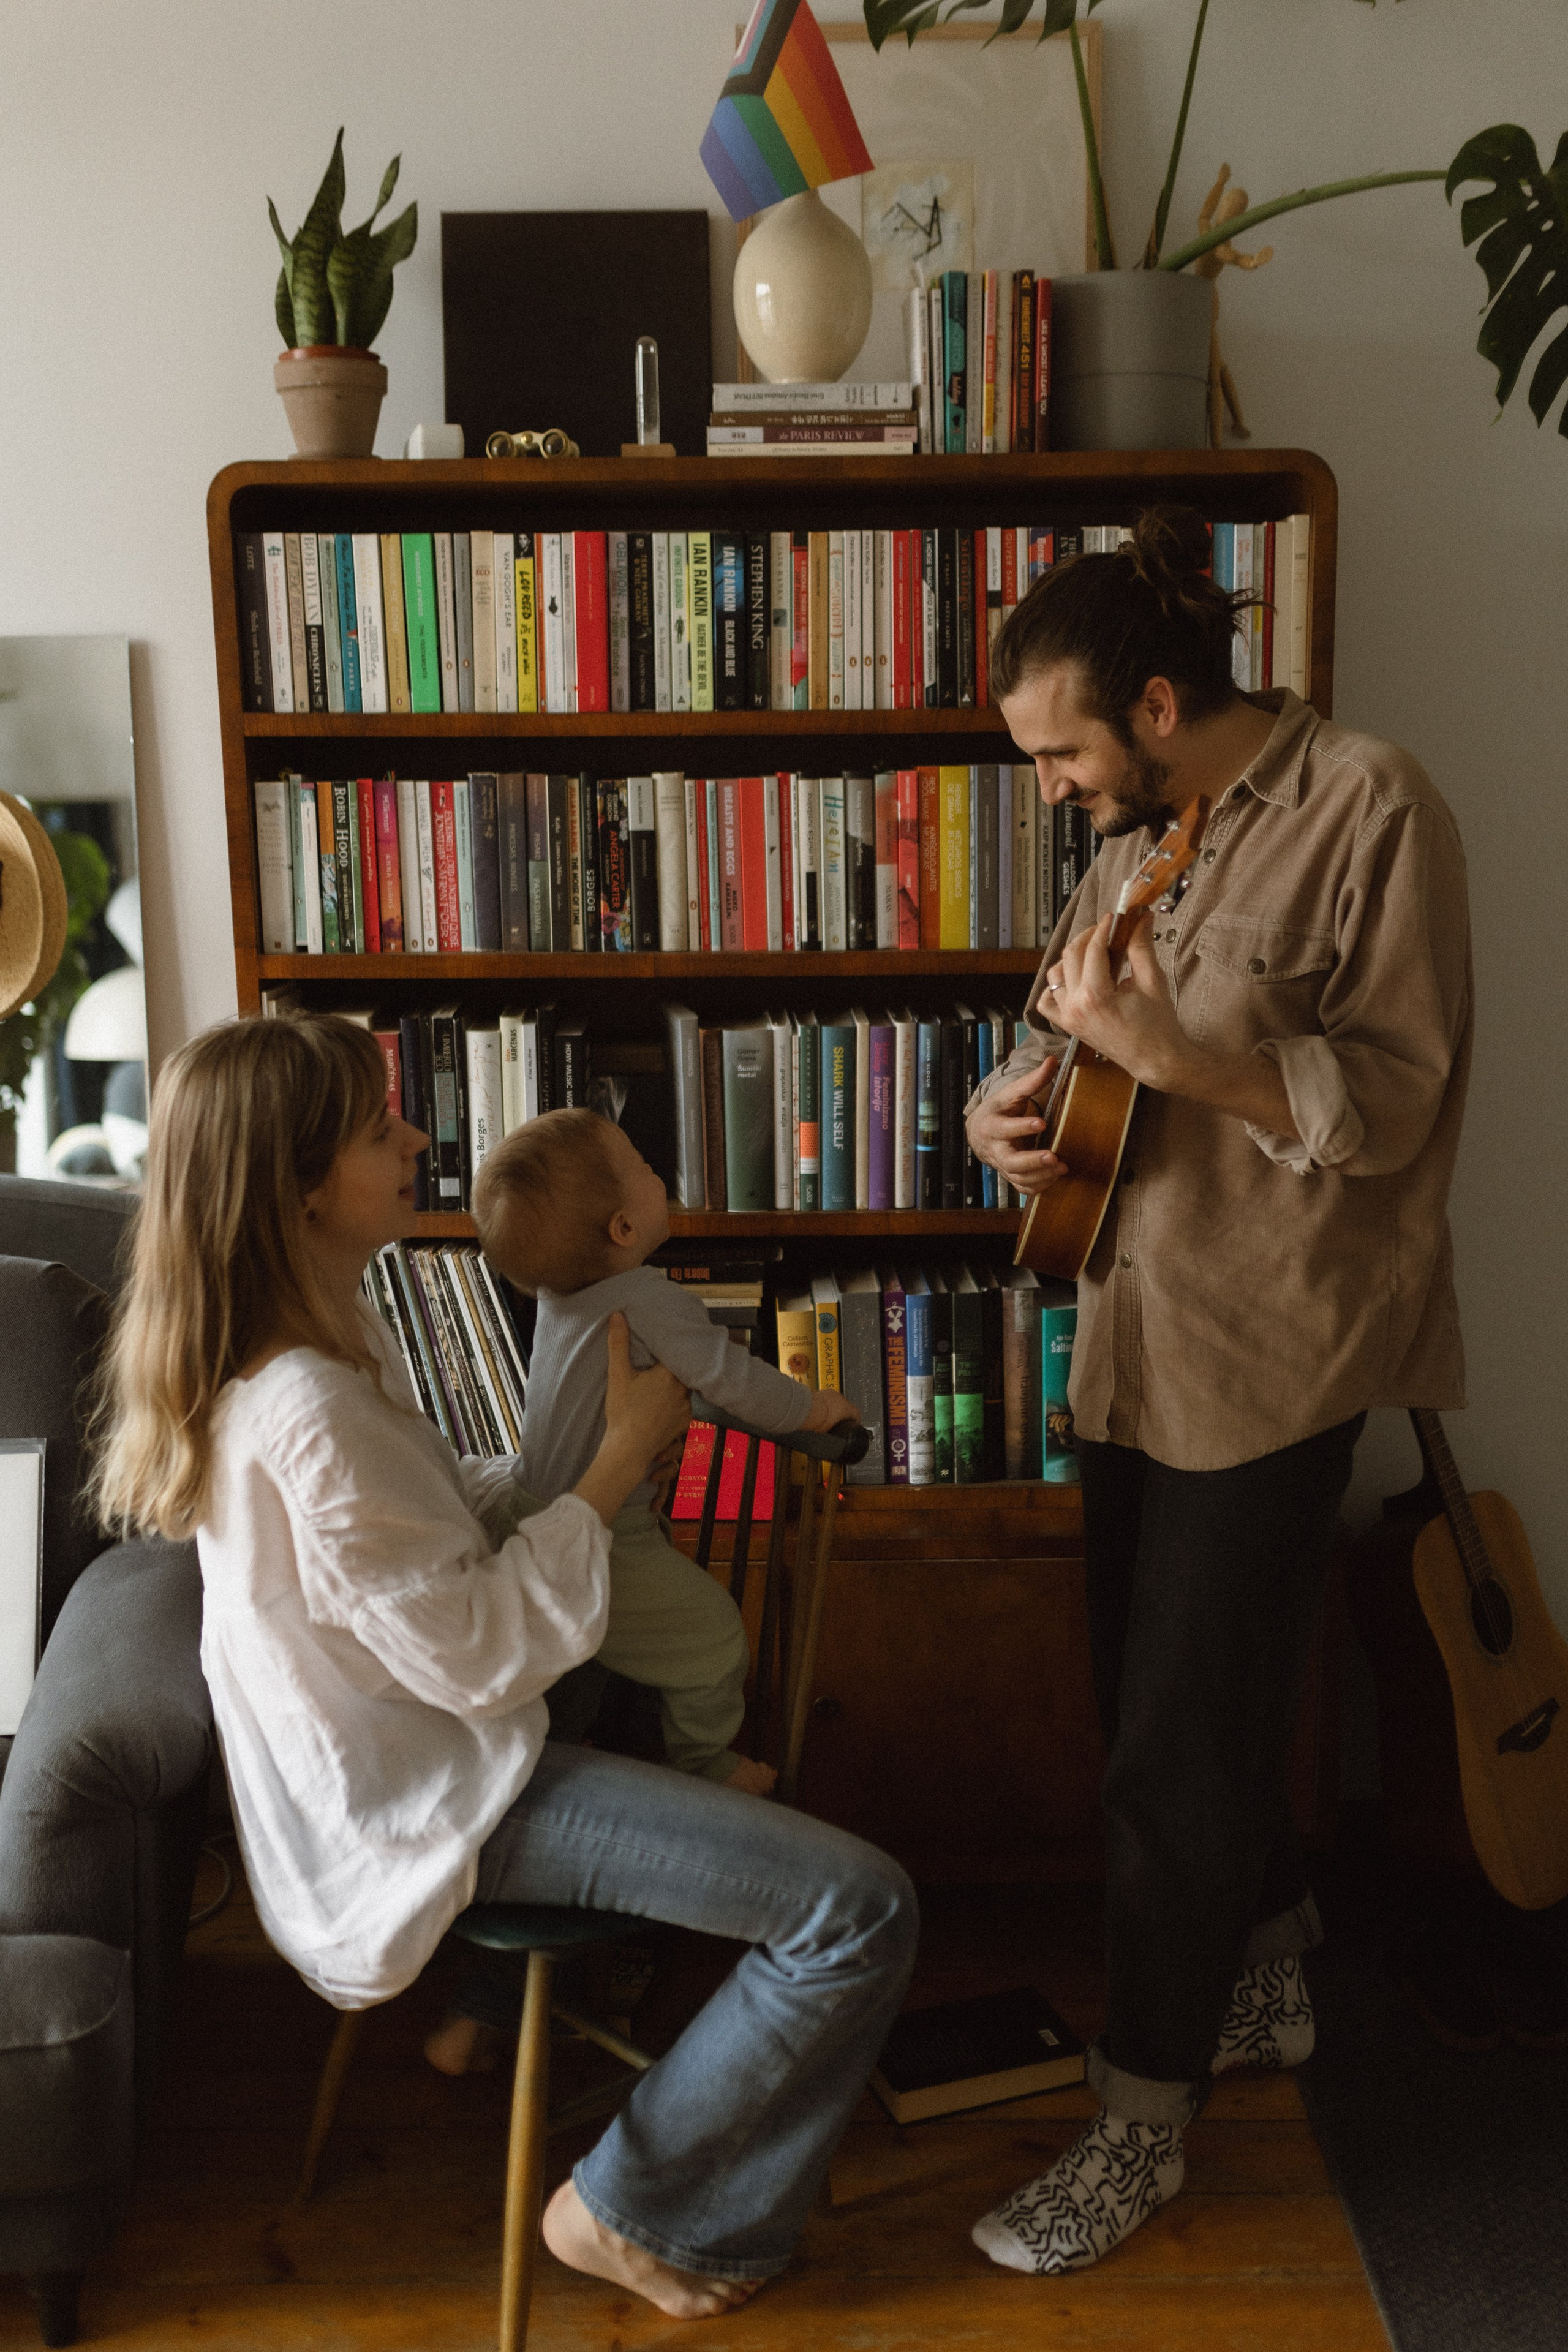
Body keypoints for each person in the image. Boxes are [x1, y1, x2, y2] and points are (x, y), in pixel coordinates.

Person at [91, 1012, 917, 2318]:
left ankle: (518, 2010)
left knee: (636, 1680)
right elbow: (475, 1650)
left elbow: (409, 1552)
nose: (418, 1136)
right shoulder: (312, 1408)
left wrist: (535, 1484)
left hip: (419, 1756)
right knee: (858, 1910)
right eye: (378, 1130)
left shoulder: (293, 1362)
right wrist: (608, 1464)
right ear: (304, 1186)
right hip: (434, 1799)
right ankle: (630, 2208)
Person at [963, 506, 1471, 2275]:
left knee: (1175, 1756)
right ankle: (1268, 1982)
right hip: (1134, 1330)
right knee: (1154, 1708)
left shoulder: (1374, 810)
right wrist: (1001, 1111)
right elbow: (1060, 1038)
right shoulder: (1135, 838)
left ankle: (1139, 2125)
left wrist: (1190, 1059)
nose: (1048, 788)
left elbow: (1398, 1096)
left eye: (1058, 753)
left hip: (1278, 1348)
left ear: (1160, 704)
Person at [472, 1107, 860, 1796]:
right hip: (604, 1533)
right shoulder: (647, 1297)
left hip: (527, 1506)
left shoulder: (564, 1297)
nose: (658, 1172)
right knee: (713, 1639)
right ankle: (706, 1762)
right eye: (644, 1168)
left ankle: (558, 1750)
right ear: (623, 1228)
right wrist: (815, 1406)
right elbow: (731, 1379)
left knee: (580, 1653)